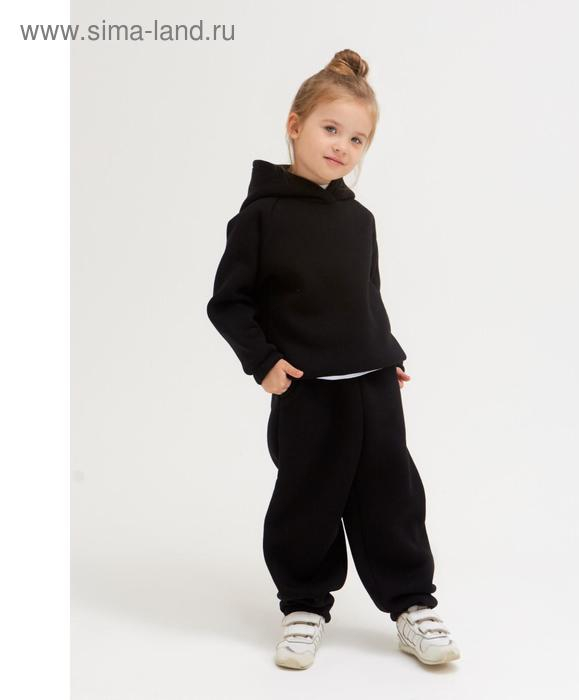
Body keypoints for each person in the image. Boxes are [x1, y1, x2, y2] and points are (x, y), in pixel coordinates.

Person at [206, 49, 460, 670]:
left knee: (391, 492)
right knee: (308, 495)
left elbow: (365, 296)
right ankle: (303, 606)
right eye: (330, 129)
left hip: (371, 384)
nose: (342, 146)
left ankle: (412, 605)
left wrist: (385, 353)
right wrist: (263, 362)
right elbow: (228, 303)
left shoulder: (359, 219)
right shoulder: (260, 218)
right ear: (295, 125)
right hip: (306, 389)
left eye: (357, 139)